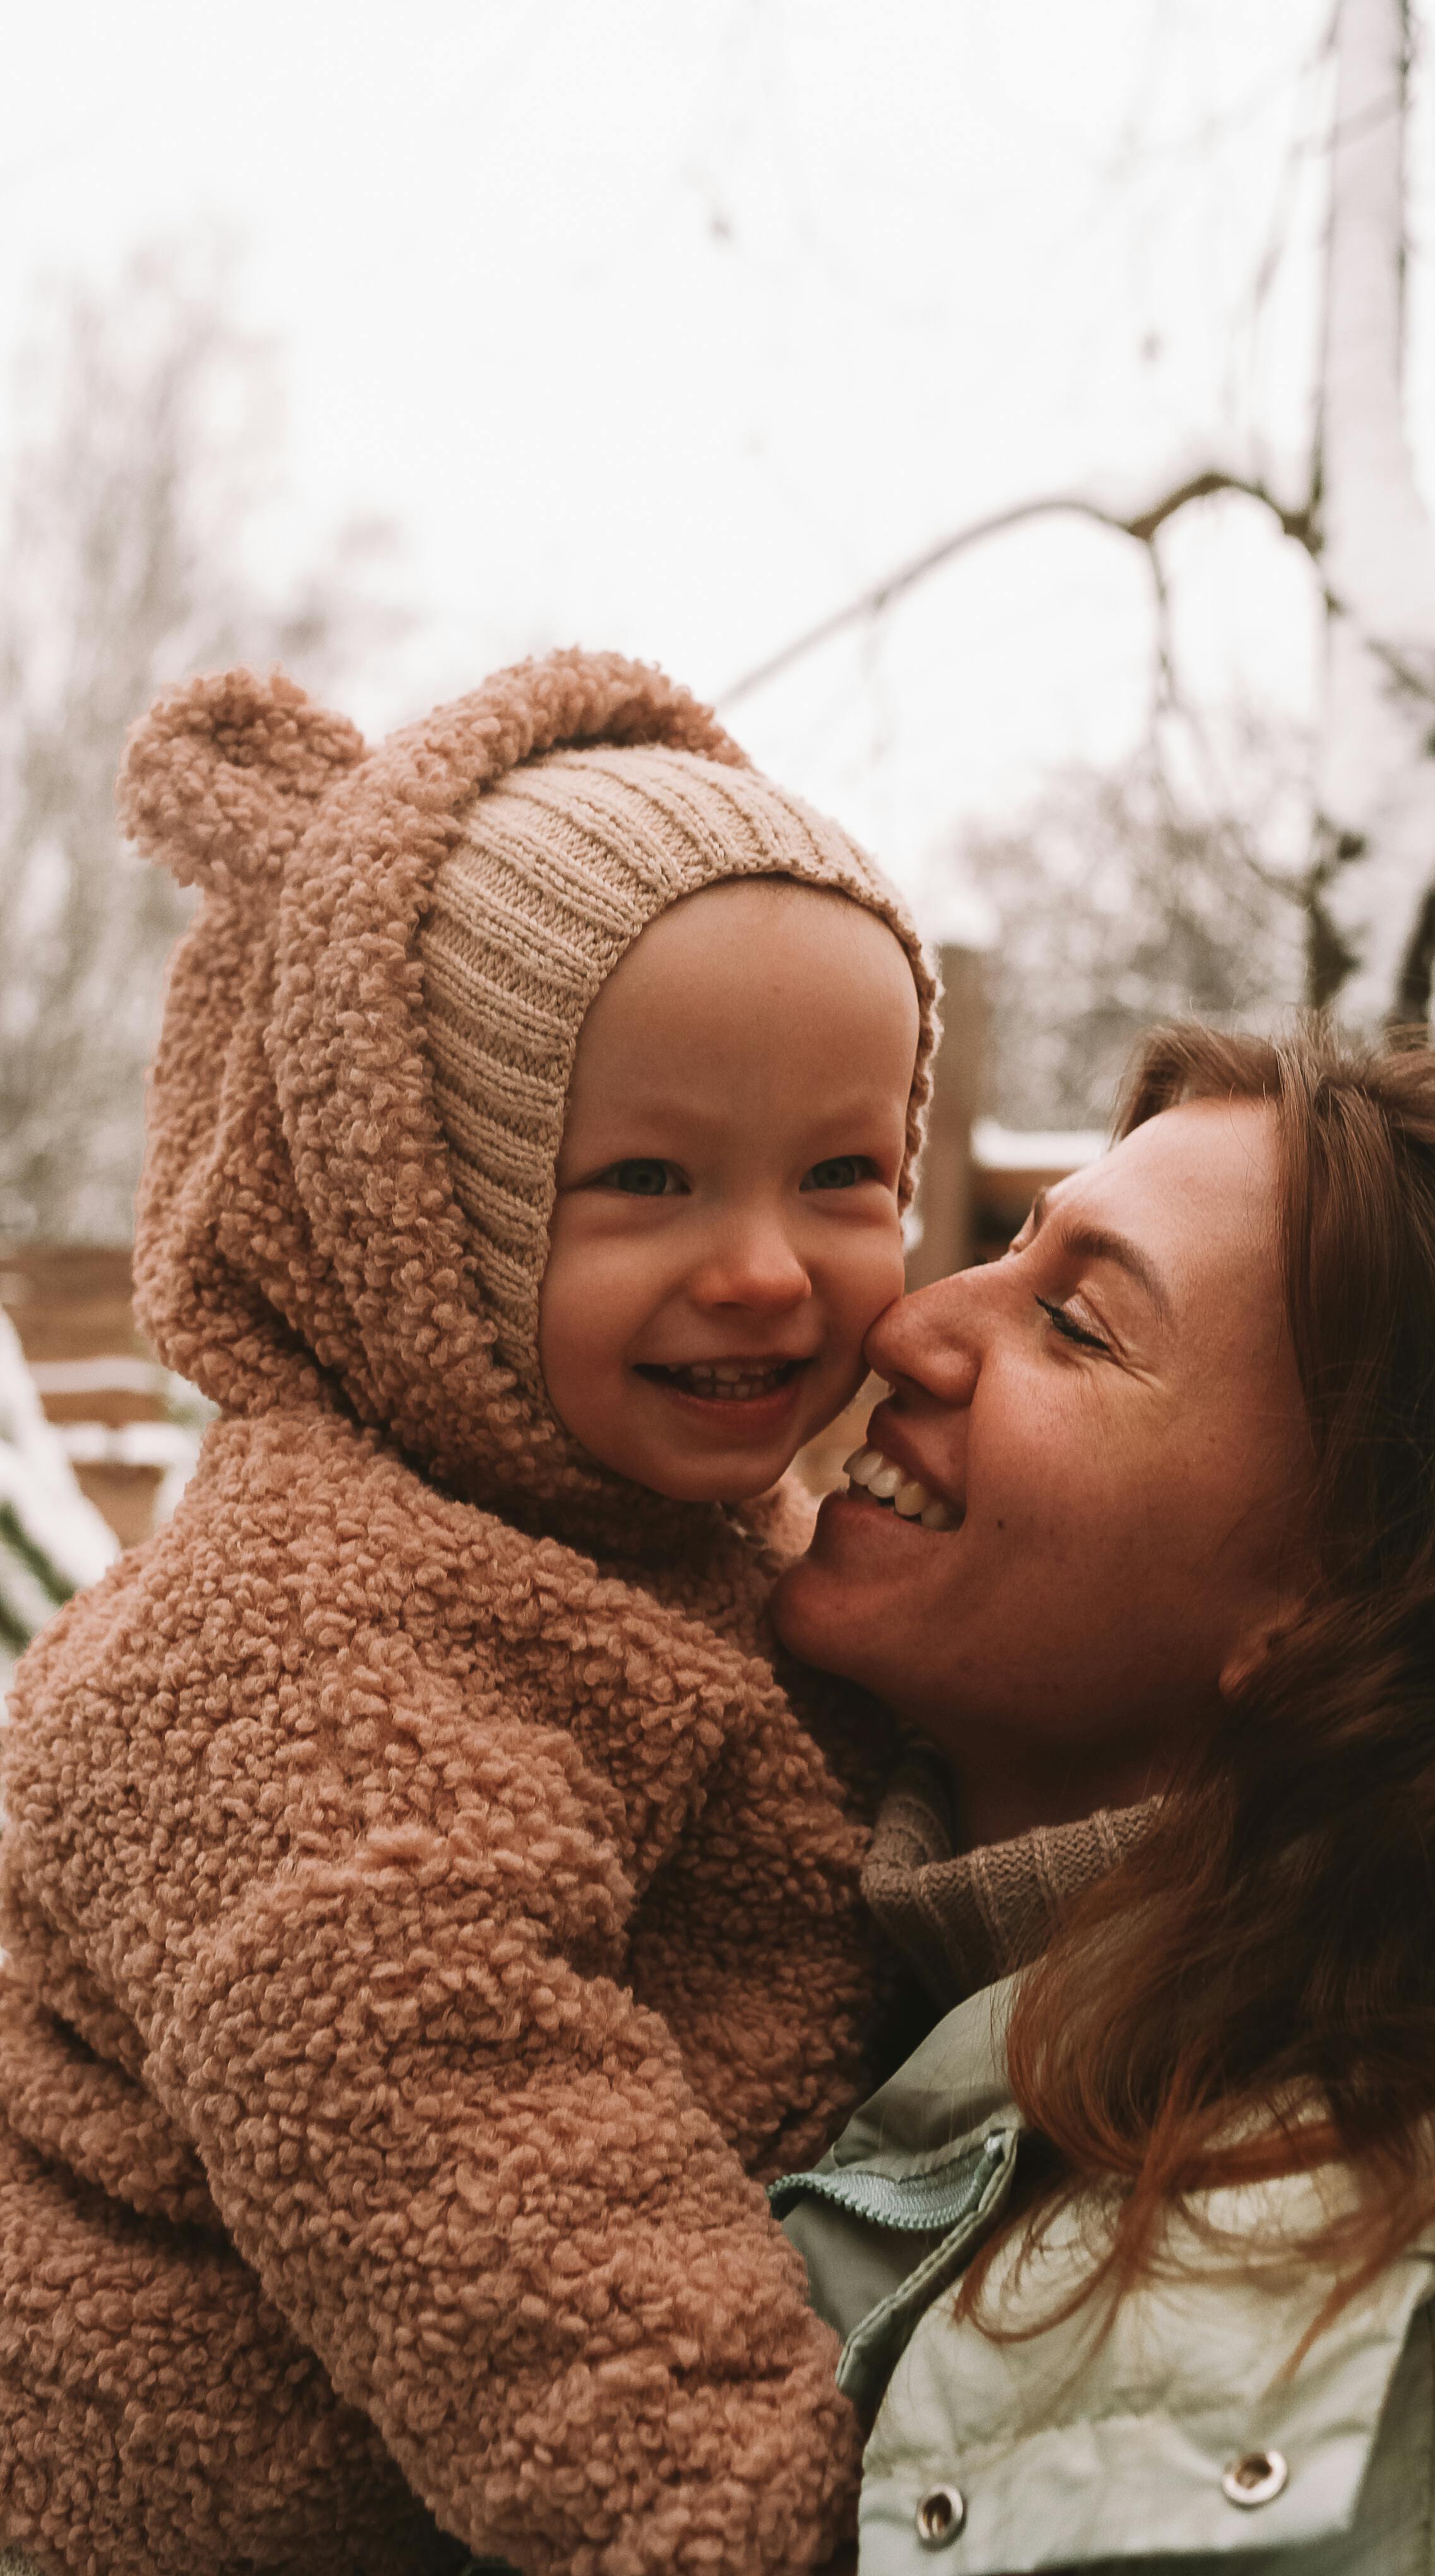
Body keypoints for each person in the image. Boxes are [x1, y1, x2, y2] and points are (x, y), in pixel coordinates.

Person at [0, 647, 935, 2576]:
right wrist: (741, 2518)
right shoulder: (297, 1621)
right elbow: (454, 2110)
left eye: (845, 1173)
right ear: (411, 1215)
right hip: (223, 2500)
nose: (767, 1269)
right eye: (648, 1181)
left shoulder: (675, 1538)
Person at [771, 1021, 1435, 2575]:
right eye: (1009, 1247)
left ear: (1331, 1616)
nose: (907, 1325)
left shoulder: (1367, 2329)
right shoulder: (794, 1984)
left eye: (1071, 1324)